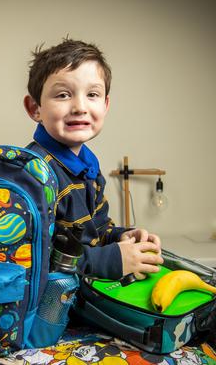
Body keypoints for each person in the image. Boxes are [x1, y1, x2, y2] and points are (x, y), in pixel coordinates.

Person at [23, 38, 163, 279]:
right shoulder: (35, 172)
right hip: (53, 311)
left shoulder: (89, 166)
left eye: (92, 94)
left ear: (106, 104)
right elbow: (36, 259)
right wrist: (112, 259)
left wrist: (120, 237)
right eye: (63, 95)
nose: (80, 107)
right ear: (35, 108)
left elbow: (95, 232)